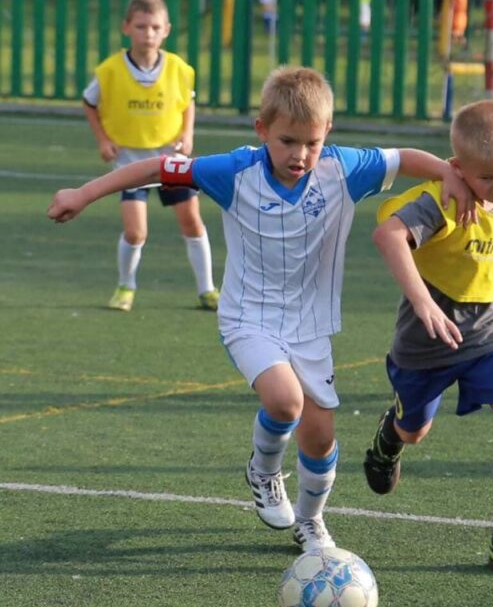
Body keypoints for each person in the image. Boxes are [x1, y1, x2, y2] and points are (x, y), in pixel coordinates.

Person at [49, 66, 471, 555]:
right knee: (285, 402)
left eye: (312, 143)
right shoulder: (234, 171)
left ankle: (310, 521)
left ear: (327, 132)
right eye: (287, 141)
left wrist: (447, 173)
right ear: (262, 130)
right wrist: (84, 194)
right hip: (248, 317)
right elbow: (156, 168)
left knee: (320, 436)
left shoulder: (343, 168)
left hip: (311, 325)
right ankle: (264, 469)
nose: (300, 155)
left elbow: (402, 158)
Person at [362, 100, 493, 578]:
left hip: (486, 326)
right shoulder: (442, 199)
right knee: (415, 431)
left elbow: (491, 227)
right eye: (488, 177)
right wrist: (424, 304)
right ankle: (390, 437)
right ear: (457, 169)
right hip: (427, 337)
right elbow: (388, 236)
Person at [82, 0, 218, 312]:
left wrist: (187, 134)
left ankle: (207, 289)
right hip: (130, 162)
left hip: (171, 162)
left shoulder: (179, 69)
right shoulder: (110, 70)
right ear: (126, 28)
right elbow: (89, 102)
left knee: (192, 222)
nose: (149, 34)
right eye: (141, 27)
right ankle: (125, 286)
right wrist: (103, 140)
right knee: (135, 232)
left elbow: (187, 102)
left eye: (156, 27)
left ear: (167, 30)